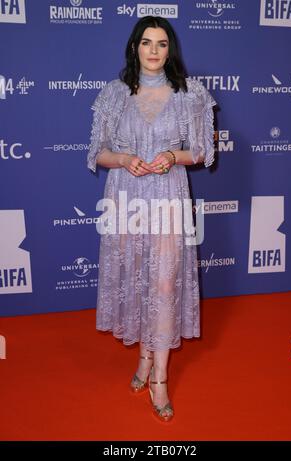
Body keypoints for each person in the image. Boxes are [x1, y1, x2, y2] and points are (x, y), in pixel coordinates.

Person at [87, 15, 217, 422]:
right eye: (147, 43)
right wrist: (124, 160)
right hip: (126, 197)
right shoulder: (113, 94)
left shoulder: (190, 94)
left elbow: (202, 152)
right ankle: (144, 359)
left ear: (170, 49)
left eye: (162, 44)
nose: (155, 51)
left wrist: (172, 157)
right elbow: (97, 153)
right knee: (136, 277)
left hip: (167, 196)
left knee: (163, 280)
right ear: (134, 47)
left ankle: (159, 375)